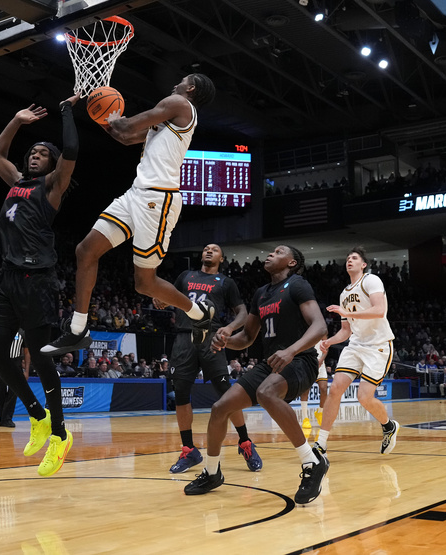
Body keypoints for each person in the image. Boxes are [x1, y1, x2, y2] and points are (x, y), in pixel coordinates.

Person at [42, 74, 217, 357]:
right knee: (85, 250)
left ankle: (199, 314)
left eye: (182, 80)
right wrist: (103, 116)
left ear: (191, 88)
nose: (175, 83)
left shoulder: (180, 104)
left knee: (144, 283)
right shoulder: (166, 121)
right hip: (135, 193)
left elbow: (127, 124)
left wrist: (97, 100)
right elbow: (124, 137)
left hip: (158, 200)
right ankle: (77, 330)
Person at [184, 245, 328, 505]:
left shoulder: (298, 285)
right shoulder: (261, 294)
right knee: (220, 408)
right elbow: (248, 337)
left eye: (278, 252)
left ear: (292, 262)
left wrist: (292, 350)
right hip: (271, 362)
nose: (271, 254)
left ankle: (312, 461)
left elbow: (320, 326)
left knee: (266, 392)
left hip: (301, 360)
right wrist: (225, 341)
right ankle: (213, 471)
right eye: (271, 251)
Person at [0, 99, 79, 477]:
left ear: (53, 165)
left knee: (41, 360)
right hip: (7, 279)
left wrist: (67, 113)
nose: (36, 156)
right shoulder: (16, 182)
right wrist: (15, 120)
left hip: (37, 280)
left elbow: (70, 150)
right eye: (33, 152)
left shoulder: (52, 186)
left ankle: (59, 435)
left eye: (44, 153)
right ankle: (37, 415)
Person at [155, 243, 261, 474]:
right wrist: (161, 300)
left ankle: (245, 443)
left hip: (211, 338)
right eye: (205, 248)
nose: (209, 250)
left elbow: (242, 312)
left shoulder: (225, 282)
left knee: (226, 395)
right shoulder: (186, 276)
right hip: (184, 338)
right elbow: (169, 296)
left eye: (214, 249)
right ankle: (189, 450)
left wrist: (230, 327)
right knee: (181, 394)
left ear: (222, 258)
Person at [315, 247, 399, 458]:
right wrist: (329, 342)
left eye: (354, 258)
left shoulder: (371, 280)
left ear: (363, 264)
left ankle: (388, 426)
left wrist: (345, 312)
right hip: (355, 345)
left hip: (378, 345)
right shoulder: (344, 293)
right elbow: (346, 330)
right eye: (347, 258)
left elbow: (380, 310)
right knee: (335, 390)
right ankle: (321, 443)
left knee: (364, 397)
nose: (349, 261)